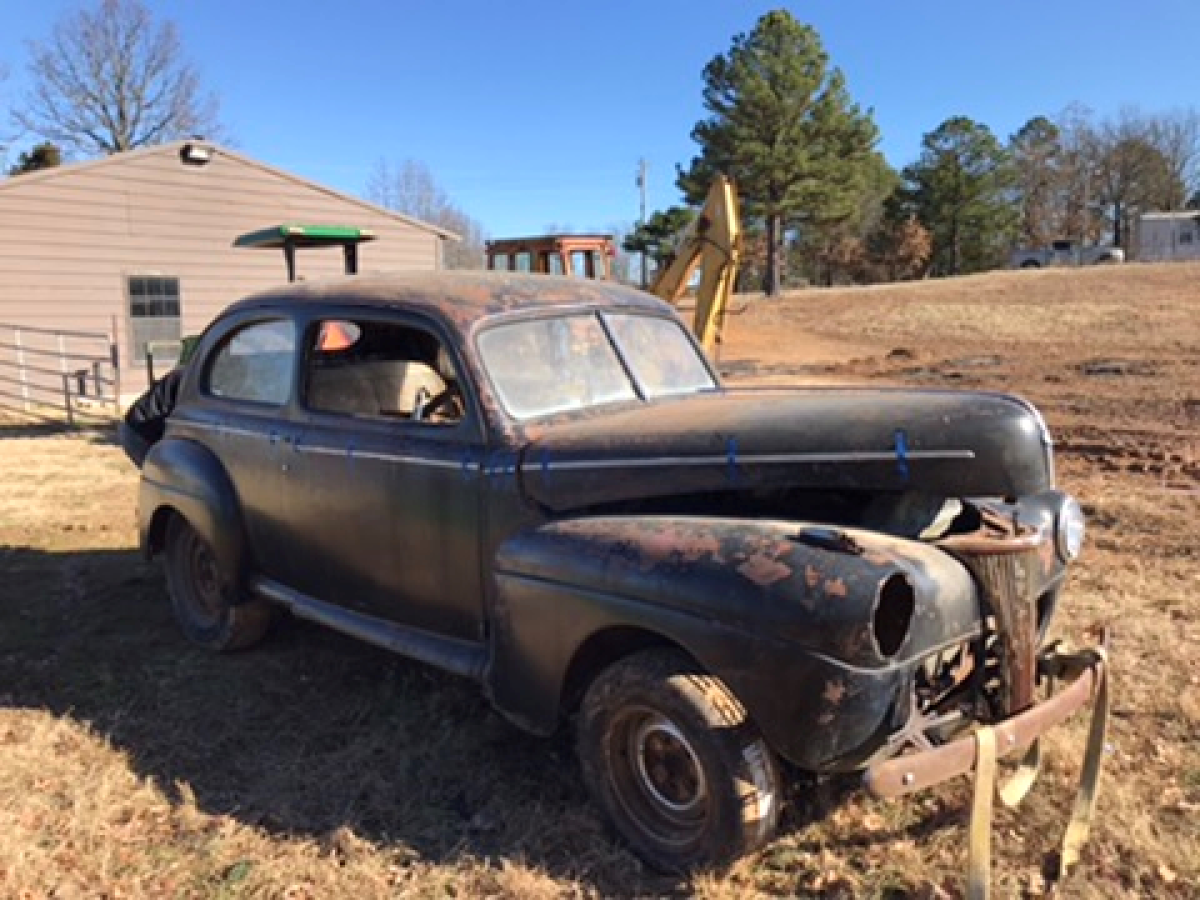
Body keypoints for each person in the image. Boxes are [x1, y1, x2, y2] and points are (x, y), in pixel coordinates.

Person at [118, 365, 186, 468]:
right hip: (138, 432)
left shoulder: (186, 372)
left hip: (134, 426)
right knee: (163, 475)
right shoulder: (190, 379)